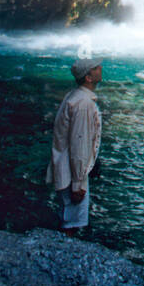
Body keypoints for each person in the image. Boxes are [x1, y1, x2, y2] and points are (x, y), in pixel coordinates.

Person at [46, 59, 103, 236]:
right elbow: (79, 144)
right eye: (95, 68)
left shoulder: (75, 96)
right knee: (71, 224)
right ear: (88, 77)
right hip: (72, 175)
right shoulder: (83, 104)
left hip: (66, 169)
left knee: (69, 218)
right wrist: (78, 183)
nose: (100, 68)